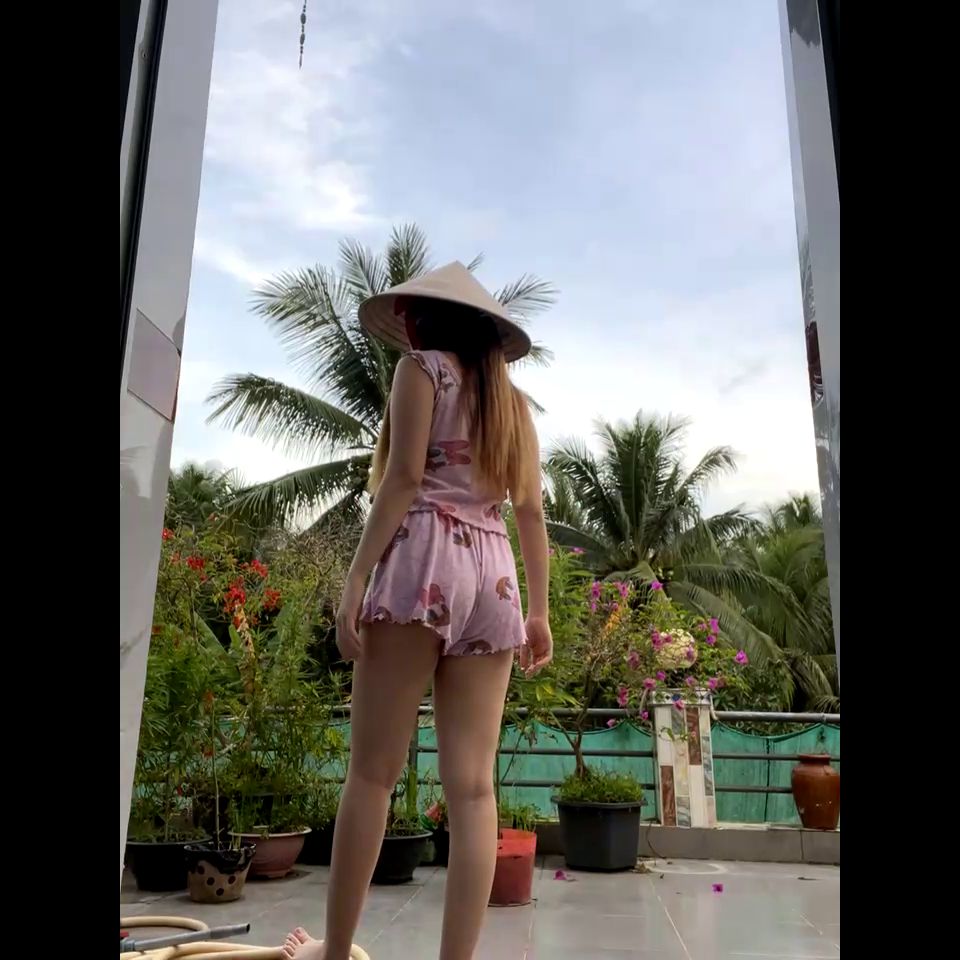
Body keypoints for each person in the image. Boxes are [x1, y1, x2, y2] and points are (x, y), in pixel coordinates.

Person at [282, 262, 553, 960]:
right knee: (474, 791)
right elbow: (529, 511)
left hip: (424, 562)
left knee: (372, 774)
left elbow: (403, 479)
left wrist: (355, 579)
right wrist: (539, 612)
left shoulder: (420, 370)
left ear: (417, 318)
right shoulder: (513, 404)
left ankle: (335, 954)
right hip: (494, 578)